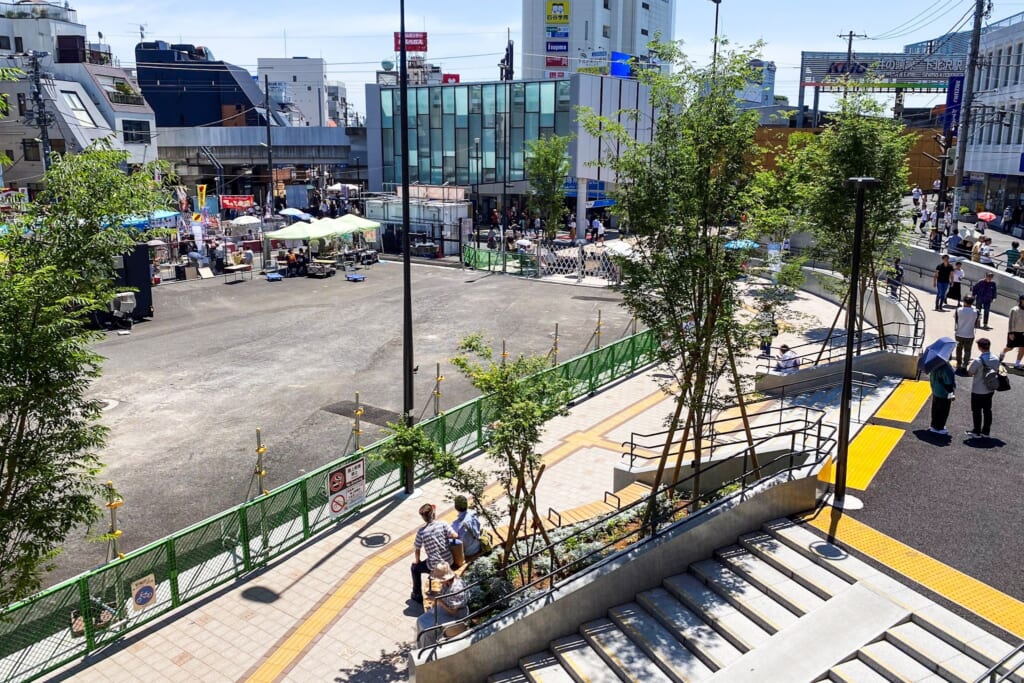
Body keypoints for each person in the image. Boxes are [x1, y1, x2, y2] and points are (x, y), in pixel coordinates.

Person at [411, 503, 458, 604]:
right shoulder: (443, 524)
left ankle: (417, 594)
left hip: (434, 565)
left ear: (423, 518)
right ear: (433, 513)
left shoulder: (421, 532)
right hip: (449, 560)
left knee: (414, 568)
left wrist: (417, 561)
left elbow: (417, 548)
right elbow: (455, 535)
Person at [415, 561, 468, 646]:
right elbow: (443, 596)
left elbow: (453, 611)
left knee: (428, 631)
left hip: (456, 614)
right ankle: (421, 645)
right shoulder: (447, 583)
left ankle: (427, 648)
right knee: (420, 620)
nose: (439, 582)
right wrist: (434, 596)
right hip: (445, 608)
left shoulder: (456, 589)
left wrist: (438, 600)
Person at [966, 338, 1000, 439]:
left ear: (980, 347)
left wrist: (969, 365)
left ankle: (976, 431)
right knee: (987, 410)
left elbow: (970, 373)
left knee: (976, 411)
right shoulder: (995, 358)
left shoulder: (978, 361)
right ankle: (986, 432)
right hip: (990, 389)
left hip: (977, 390)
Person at [927, 358, 956, 435]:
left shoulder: (934, 366)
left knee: (935, 409)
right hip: (944, 394)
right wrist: (952, 395)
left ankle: (933, 425)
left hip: (936, 391)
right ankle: (939, 427)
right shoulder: (946, 368)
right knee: (943, 411)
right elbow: (948, 384)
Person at [954, 295, 978, 375]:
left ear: (964, 301)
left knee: (958, 349)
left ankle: (958, 364)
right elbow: (976, 323)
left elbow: (956, 320)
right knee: (967, 351)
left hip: (959, 333)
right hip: (970, 334)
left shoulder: (959, 310)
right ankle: (965, 365)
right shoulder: (976, 311)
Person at [1000, 294, 1024, 369]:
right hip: (1014, 332)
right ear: (1021, 300)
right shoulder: (1015, 309)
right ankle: (1002, 355)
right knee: (1009, 348)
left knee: (1022, 348)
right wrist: (1011, 333)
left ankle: (1017, 364)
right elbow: (1011, 322)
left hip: (1022, 333)